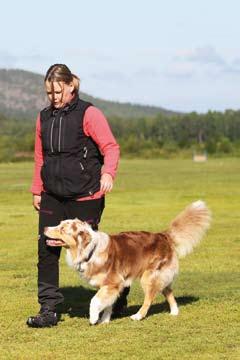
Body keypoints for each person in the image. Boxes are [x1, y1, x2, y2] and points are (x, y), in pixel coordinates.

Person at [27, 64, 129, 328]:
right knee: (47, 248)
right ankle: (48, 309)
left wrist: (108, 174)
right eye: (49, 93)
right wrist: (37, 189)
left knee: (92, 253)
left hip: (85, 194)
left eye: (58, 91)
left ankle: (118, 294)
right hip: (52, 195)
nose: (54, 97)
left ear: (71, 86)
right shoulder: (43, 117)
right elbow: (41, 157)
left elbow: (111, 147)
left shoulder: (89, 114)